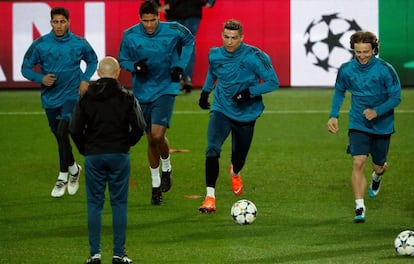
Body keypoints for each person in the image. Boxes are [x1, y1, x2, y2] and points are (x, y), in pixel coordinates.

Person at [198, 19, 279, 213]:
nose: (229, 42)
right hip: (221, 109)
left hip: (246, 113)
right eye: (226, 37)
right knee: (212, 149)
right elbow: (213, 70)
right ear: (222, 36)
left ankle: (235, 172)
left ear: (242, 38)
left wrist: (248, 92)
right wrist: (205, 91)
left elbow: (272, 82)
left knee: (239, 158)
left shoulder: (255, 57)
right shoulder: (215, 54)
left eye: (234, 38)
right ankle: (210, 197)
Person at [70, 56, 146, 264]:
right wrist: (125, 144)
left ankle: (94, 255)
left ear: (98, 74)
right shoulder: (127, 97)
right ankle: (118, 254)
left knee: (94, 204)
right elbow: (140, 126)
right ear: (118, 73)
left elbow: (74, 128)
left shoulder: (85, 97)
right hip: (119, 155)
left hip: (94, 155)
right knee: (119, 203)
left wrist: (86, 149)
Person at [118, 0, 195, 205]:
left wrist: (180, 66)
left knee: (156, 134)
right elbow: (122, 59)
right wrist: (134, 66)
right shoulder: (130, 35)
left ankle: (165, 169)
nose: (150, 25)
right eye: (145, 21)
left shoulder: (174, 29)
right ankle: (156, 184)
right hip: (143, 92)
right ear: (140, 19)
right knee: (151, 138)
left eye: (153, 20)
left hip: (166, 88)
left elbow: (189, 40)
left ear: (159, 17)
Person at [21, 6, 98, 198]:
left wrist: (85, 79)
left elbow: (93, 60)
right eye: (55, 22)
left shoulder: (79, 43)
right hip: (50, 98)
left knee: (64, 131)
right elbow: (25, 68)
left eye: (62, 21)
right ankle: (74, 169)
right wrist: (41, 79)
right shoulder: (40, 44)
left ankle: (62, 176)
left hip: (72, 96)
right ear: (50, 23)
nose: (59, 25)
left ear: (69, 22)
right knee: (60, 136)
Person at [327, 31, 401, 223]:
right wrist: (333, 115)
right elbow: (339, 91)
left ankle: (378, 175)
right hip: (358, 123)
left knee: (379, 165)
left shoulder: (385, 70)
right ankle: (359, 206)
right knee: (358, 162)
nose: (362, 56)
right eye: (358, 51)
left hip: (382, 125)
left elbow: (396, 97)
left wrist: (377, 111)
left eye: (366, 52)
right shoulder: (346, 69)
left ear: (374, 49)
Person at [155, 0, 215, 92]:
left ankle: (183, 78)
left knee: (185, 44)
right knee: (181, 45)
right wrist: (157, 5)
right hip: (178, 11)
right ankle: (182, 78)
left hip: (188, 10)